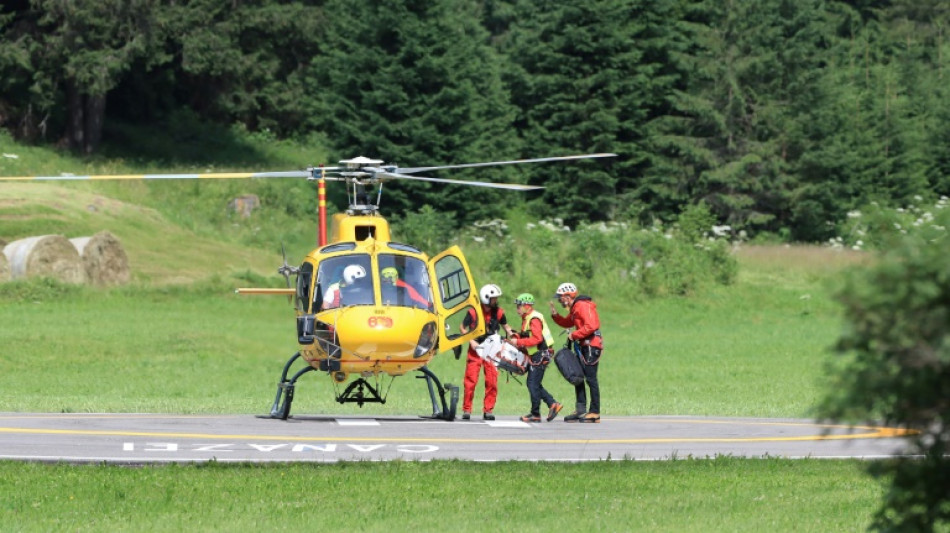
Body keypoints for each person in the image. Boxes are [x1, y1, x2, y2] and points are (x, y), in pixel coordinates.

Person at [458, 284, 515, 421]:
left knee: (492, 381)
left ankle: (488, 410)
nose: (496, 301)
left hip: (492, 350)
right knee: (470, 381)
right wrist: (471, 341)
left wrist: (513, 337)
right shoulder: (473, 312)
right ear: (486, 298)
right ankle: (467, 410)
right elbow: (462, 327)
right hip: (476, 350)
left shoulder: (499, 312)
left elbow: (506, 327)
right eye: (494, 298)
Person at [550, 282, 603, 423]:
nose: (560, 300)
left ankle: (594, 412)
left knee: (591, 379)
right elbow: (568, 322)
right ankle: (580, 409)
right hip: (584, 345)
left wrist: (574, 335)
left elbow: (592, 325)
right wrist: (556, 316)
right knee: (578, 376)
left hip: (591, 346)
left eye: (560, 298)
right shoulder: (575, 308)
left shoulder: (582, 305)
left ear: (568, 296)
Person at [508, 293, 562, 423]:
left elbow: (537, 339)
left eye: (519, 306)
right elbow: (527, 337)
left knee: (532, 383)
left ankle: (535, 414)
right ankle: (552, 404)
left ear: (527, 306)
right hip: (538, 354)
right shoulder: (527, 318)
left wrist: (519, 342)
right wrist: (516, 337)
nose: (517, 309)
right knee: (534, 383)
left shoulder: (534, 319)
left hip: (541, 354)